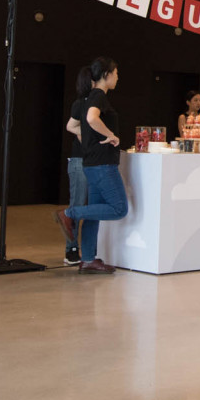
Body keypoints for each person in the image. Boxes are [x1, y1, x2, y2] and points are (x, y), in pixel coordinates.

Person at [62, 57, 129, 274]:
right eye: (116, 73)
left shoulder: (88, 97)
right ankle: (70, 214)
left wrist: (90, 138)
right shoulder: (98, 95)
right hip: (103, 164)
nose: (118, 77)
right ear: (106, 75)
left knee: (94, 213)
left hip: (91, 163)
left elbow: (73, 125)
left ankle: (88, 259)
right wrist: (111, 135)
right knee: (119, 209)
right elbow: (92, 119)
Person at [55, 65, 94, 265]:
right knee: (77, 206)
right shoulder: (81, 104)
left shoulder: (95, 103)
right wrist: (84, 135)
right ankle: (71, 249)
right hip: (80, 160)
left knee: (89, 207)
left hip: (91, 161)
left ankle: (86, 250)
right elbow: (72, 126)